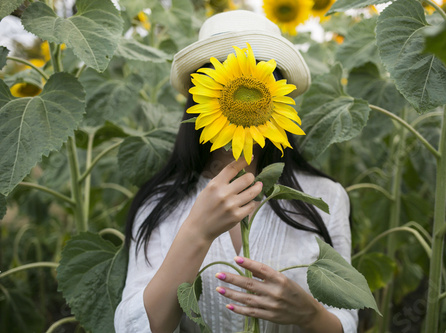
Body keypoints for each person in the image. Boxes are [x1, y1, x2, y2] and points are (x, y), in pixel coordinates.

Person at [114, 10, 358, 333]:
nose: (246, 97)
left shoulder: (324, 198)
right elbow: (132, 328)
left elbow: (347, 321)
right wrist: (196, 232)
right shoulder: (161, 205)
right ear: (200, 98)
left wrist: (309, 315)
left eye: (261, 86)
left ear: (278, 97)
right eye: (222, 82)